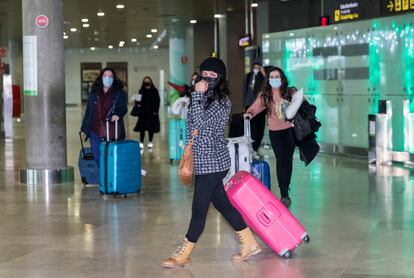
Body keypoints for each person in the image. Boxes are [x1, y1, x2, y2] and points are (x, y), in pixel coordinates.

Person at [161, 57, 262, 268]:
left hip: (213, 162)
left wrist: (196, 95)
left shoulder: (221, 102)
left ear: (220, 79)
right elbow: (191, 124)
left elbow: (200, 123)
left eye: (212, 75)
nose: (207, 78)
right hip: (204, 160)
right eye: (204, 74)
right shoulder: (201, 97)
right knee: (222, 204)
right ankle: (250, 243)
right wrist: (195, 96)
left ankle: (184, 252)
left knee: (199, 208)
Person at [245, 66, 303, 209]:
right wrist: (249, 113)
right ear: (268, 79)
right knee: (281, 159)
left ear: (282, 78)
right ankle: (284, 193)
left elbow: (302, 104)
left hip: (289, 132)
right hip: (275, 133)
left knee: (287, 160)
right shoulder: (265, 95)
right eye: (272, 77)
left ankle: (285, 191)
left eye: (277, 77)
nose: (274, 79)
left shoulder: (290, 92)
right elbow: (255, 107)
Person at [80, 67, 128, 168]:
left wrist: (118, 115)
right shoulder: (94, 92)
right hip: (95, 129)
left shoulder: (119, 93)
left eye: (110, 76)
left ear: (114, 78)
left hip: (110, 128)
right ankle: (104, 177)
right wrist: (84, 128)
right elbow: (89, 111)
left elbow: (123, 108)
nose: (108, 78)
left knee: (110, 156)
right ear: (101, 78)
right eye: (105, 76)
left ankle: (107, 179)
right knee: (97, 156)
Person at [243, 61, 266, 152]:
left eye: (258, 67)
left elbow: (266, 85)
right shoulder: (248, 76)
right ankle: (252, 148)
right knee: (251, 128)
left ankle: (256, 147)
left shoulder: (262, 77)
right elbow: (245, 90)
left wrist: (264, 74)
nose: (256, 69)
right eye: (255, 67)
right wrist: (244, 105)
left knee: (259, 129)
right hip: (249, 105)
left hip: (260, 107)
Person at [133, 76, 160, 149]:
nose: (146, 82)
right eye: (145, 81)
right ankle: (141, 142)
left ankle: (150, 141)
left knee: (151, 128)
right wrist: (136, 101)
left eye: (148, 81)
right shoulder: (141, 90)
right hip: (143, 113)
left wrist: (155, 111)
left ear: (151, 82)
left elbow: (157, 101)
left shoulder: (154, 91)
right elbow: (138, 100)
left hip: (151, 113)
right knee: (142, 128)